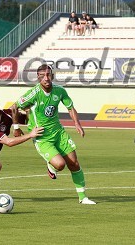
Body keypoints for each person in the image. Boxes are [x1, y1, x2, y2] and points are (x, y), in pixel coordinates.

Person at [12, 64, 95, 204]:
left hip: (59, 133)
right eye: (42, 76)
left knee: (74, 163)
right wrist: (16, 127)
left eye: (49, 75)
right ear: (38, 78)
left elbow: (70, 107)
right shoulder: (33, 94)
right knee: (60, 165)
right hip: (42, 137)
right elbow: (14, 107)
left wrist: (76, 123)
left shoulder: (60, 91)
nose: (46, 78)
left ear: (52, 76)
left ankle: (83, 197)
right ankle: (51, 166)